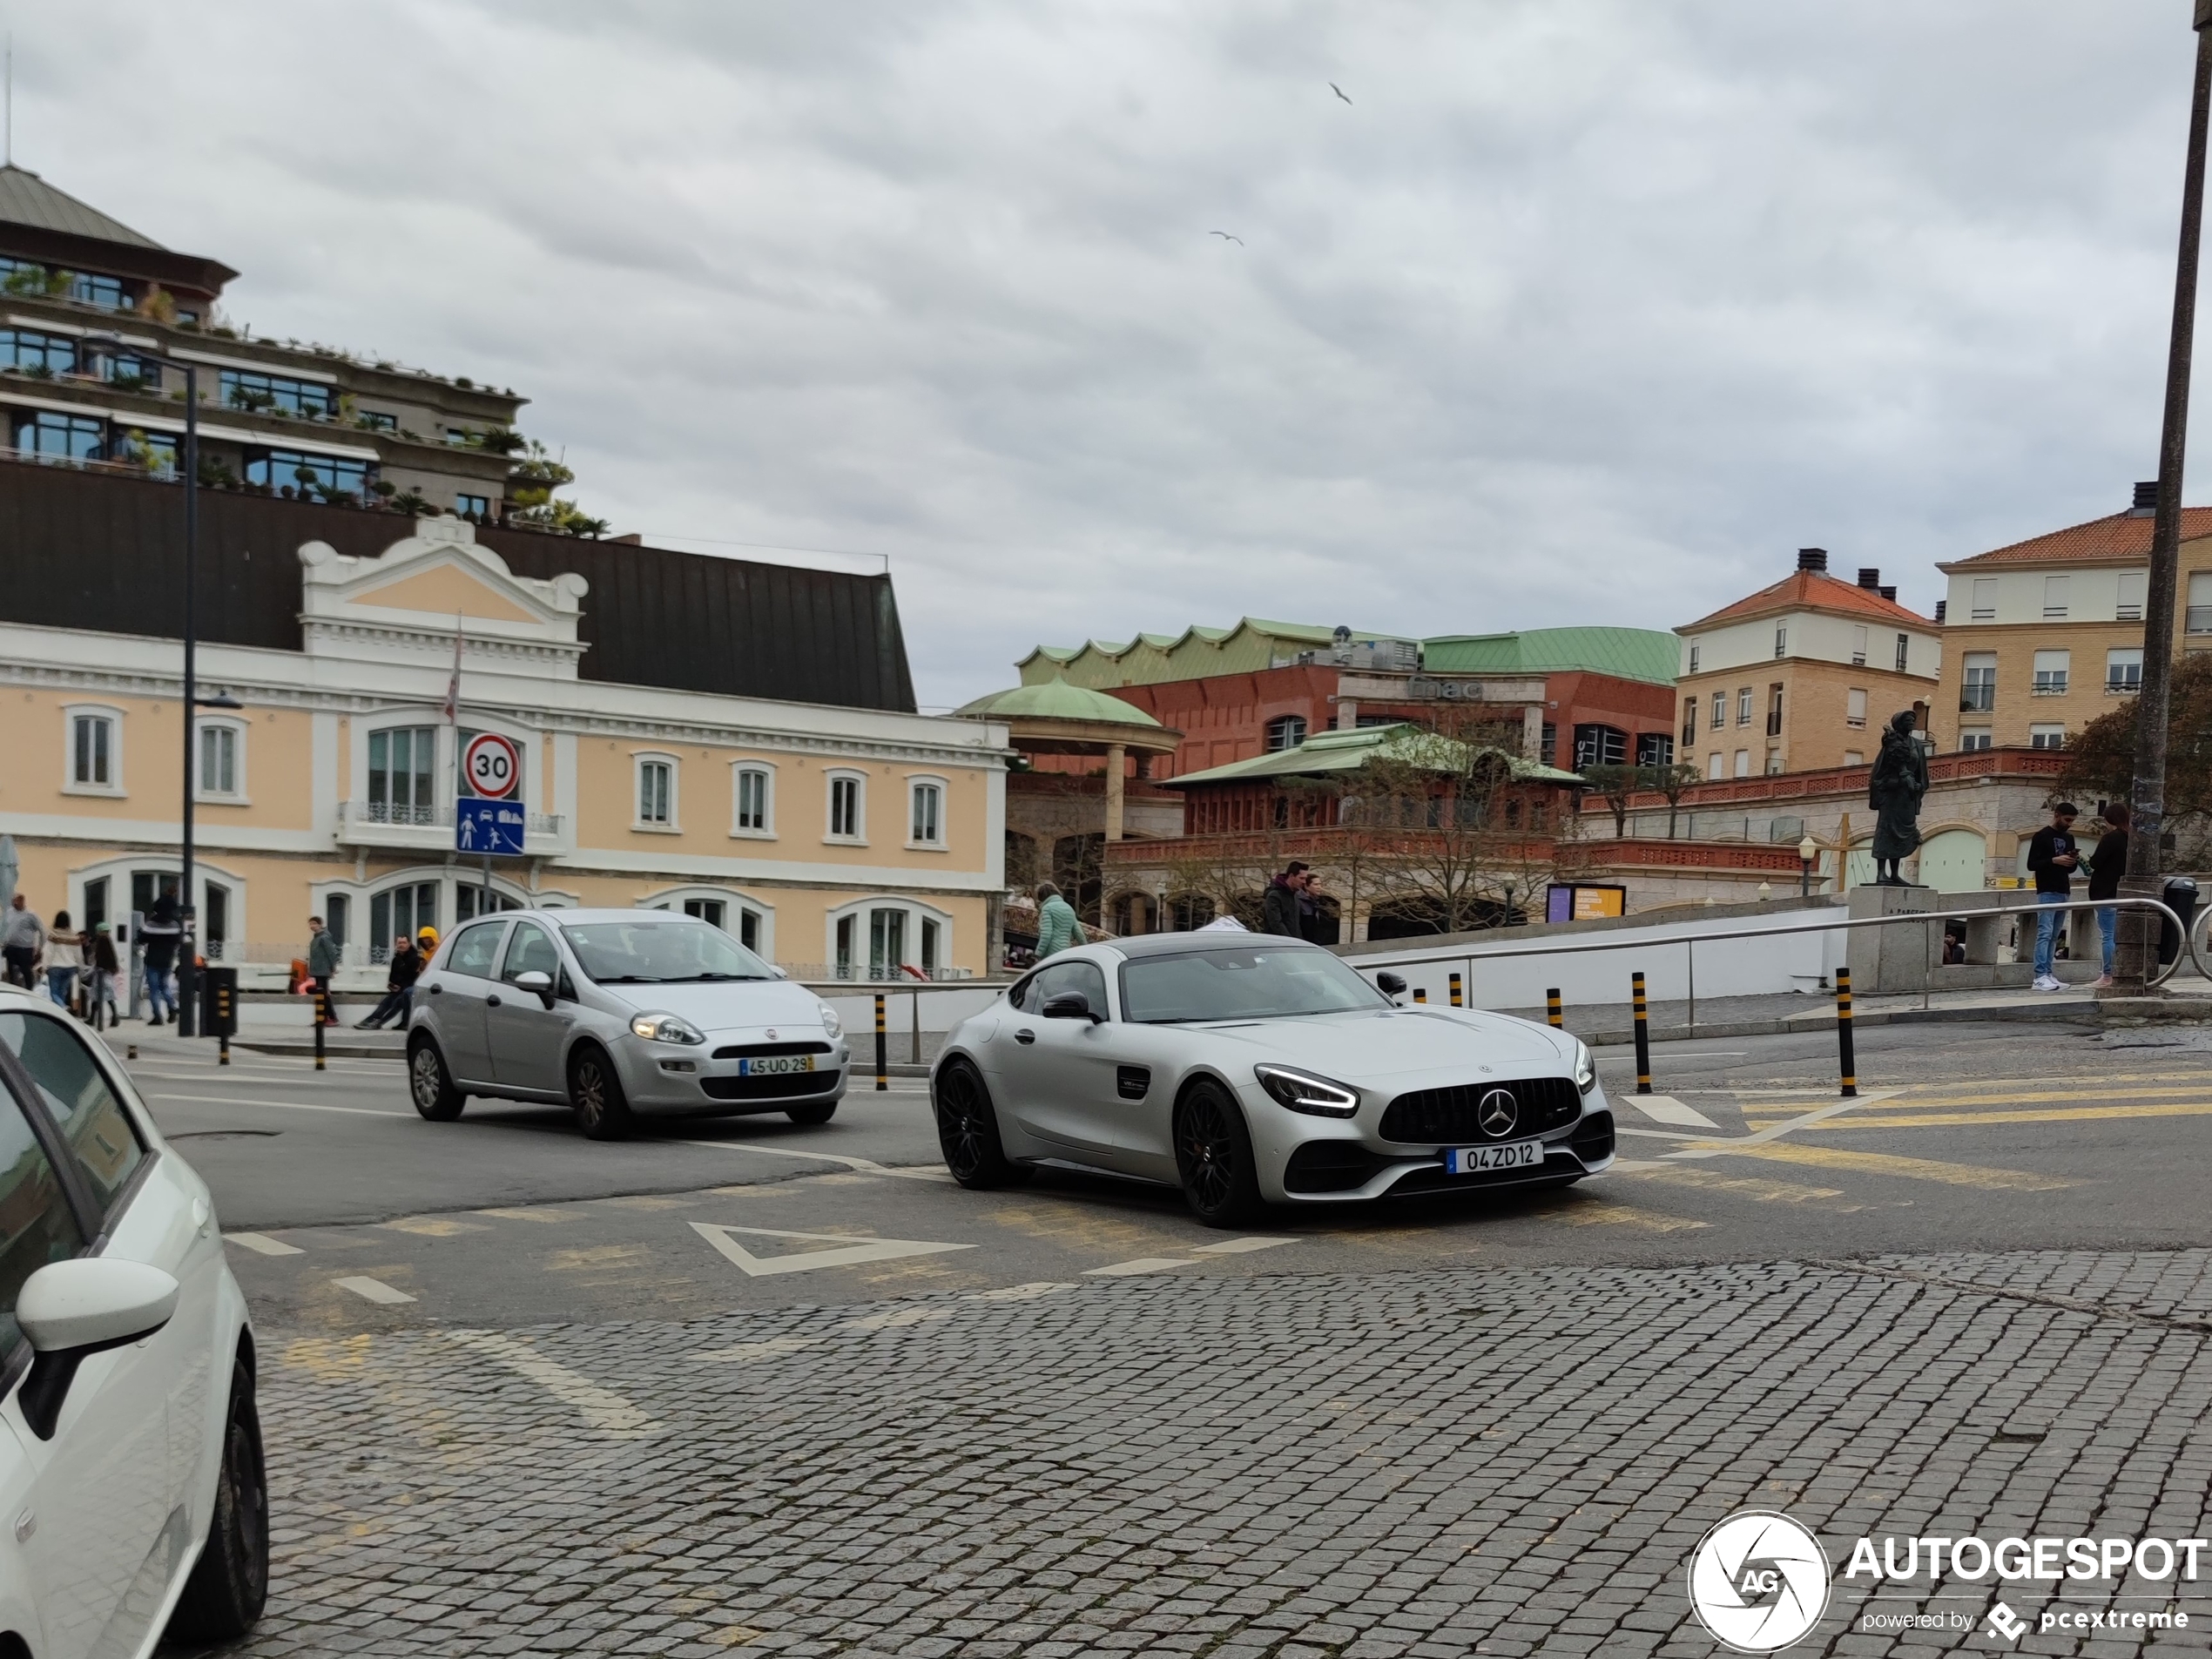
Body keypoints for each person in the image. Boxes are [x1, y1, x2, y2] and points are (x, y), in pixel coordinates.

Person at [2026, 801, 2081, 992]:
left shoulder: (2069, 837)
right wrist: (2053, 860)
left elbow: (2072, 868)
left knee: (2054, 935)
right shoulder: (2041, 836)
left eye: (2072, 820)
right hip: (2047, 889)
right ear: (2057, 815)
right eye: (2067, 819)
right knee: (2044, 933)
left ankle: (2048, 972)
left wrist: (2071, 860)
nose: (2069, 823)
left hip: (2063, 888)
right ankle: (2039, 975)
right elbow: (2032, 864)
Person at [2087, 801, 2130, 988]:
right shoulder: (2132, 839)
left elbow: (2096, 862)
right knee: (2117, 936)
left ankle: (2107, 975)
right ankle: (2115, 973)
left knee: (2108, 935)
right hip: (2124, 892)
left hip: (2105, 892)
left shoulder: (2111, 838)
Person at [358, 934, 422, 1028]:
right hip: (398, 989)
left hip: (409, 990)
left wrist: (400, 986)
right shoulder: (396, 959)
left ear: (409, 944)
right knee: (387, 1001)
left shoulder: (415, 959)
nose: (401, 945)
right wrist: (392, 985)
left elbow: (413, 978)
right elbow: (392, 977)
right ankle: (371, 1020)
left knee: (397, 1001)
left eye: (404, 943)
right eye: (399, 943)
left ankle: (378, 1022)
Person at [140, 891, 180, 1024]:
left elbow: (141, 939)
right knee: (165, 986)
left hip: (152, 960)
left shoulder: (151, 924)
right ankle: (172, 1007)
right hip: (167, 960)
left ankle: (157, 1016)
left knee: (154, 989)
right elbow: (178, 941)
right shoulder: (174, 925)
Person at [37, 910, 83, 1012]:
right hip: (71, 967)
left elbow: (48, 953)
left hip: (55, 967)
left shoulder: (53, 936)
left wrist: (44, 967)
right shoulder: (74, 937)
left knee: (54, 993)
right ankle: (61, 1012)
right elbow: (78, 954)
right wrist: (80, 966)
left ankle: (63, 1008)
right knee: (62, 992)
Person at [1033, 882, 1086, 959]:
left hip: (1050, 954)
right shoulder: (1069, 908)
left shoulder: (1047, 909)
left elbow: (1046, 934)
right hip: (1065, 952)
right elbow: (1079, 934)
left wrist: (1038, 954)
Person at [2, 893, 44, 988]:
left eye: (17, 901)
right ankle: (12, 988)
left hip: (25, 948)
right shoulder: (9, 913)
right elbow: (5, 927)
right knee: (11, 970)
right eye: (13, 901)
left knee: (26, 970)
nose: (15, 903)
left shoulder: (30, 915)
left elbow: (41, 930)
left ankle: (30, 989)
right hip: (11, 946)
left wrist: (40, 947)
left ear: (22, 901)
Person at [306, 915, 341, 1023]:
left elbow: (331, 953)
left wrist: (332, 967)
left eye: (315, 924)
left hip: (323, 970)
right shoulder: (317, 938)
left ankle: (331, 1018)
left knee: (323, 994)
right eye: (311, 924)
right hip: (317, 970)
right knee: (321, 994)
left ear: (320, 924)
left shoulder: (323, 937)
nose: (312, 926)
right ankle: (323, 1018)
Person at [85, 923, 119, 1029]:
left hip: (102, 971)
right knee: (107, 996)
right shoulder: (105, 940)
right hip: (105, 971)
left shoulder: (102, 940)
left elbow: (106, 955)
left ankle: (93, 1018)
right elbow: (112, 956)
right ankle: (114, 1018)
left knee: (98, 995)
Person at [1261, 862, 1310, 937]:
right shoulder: (1274, 896)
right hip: (1280, 943)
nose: (1304, 882)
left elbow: (1296, 924)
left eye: (1305, 879)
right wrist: (1290, 941)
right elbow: (1276, 923)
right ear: (1291, 876)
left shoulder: (1295, 895)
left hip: (1294, 943)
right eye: (1301, 878)